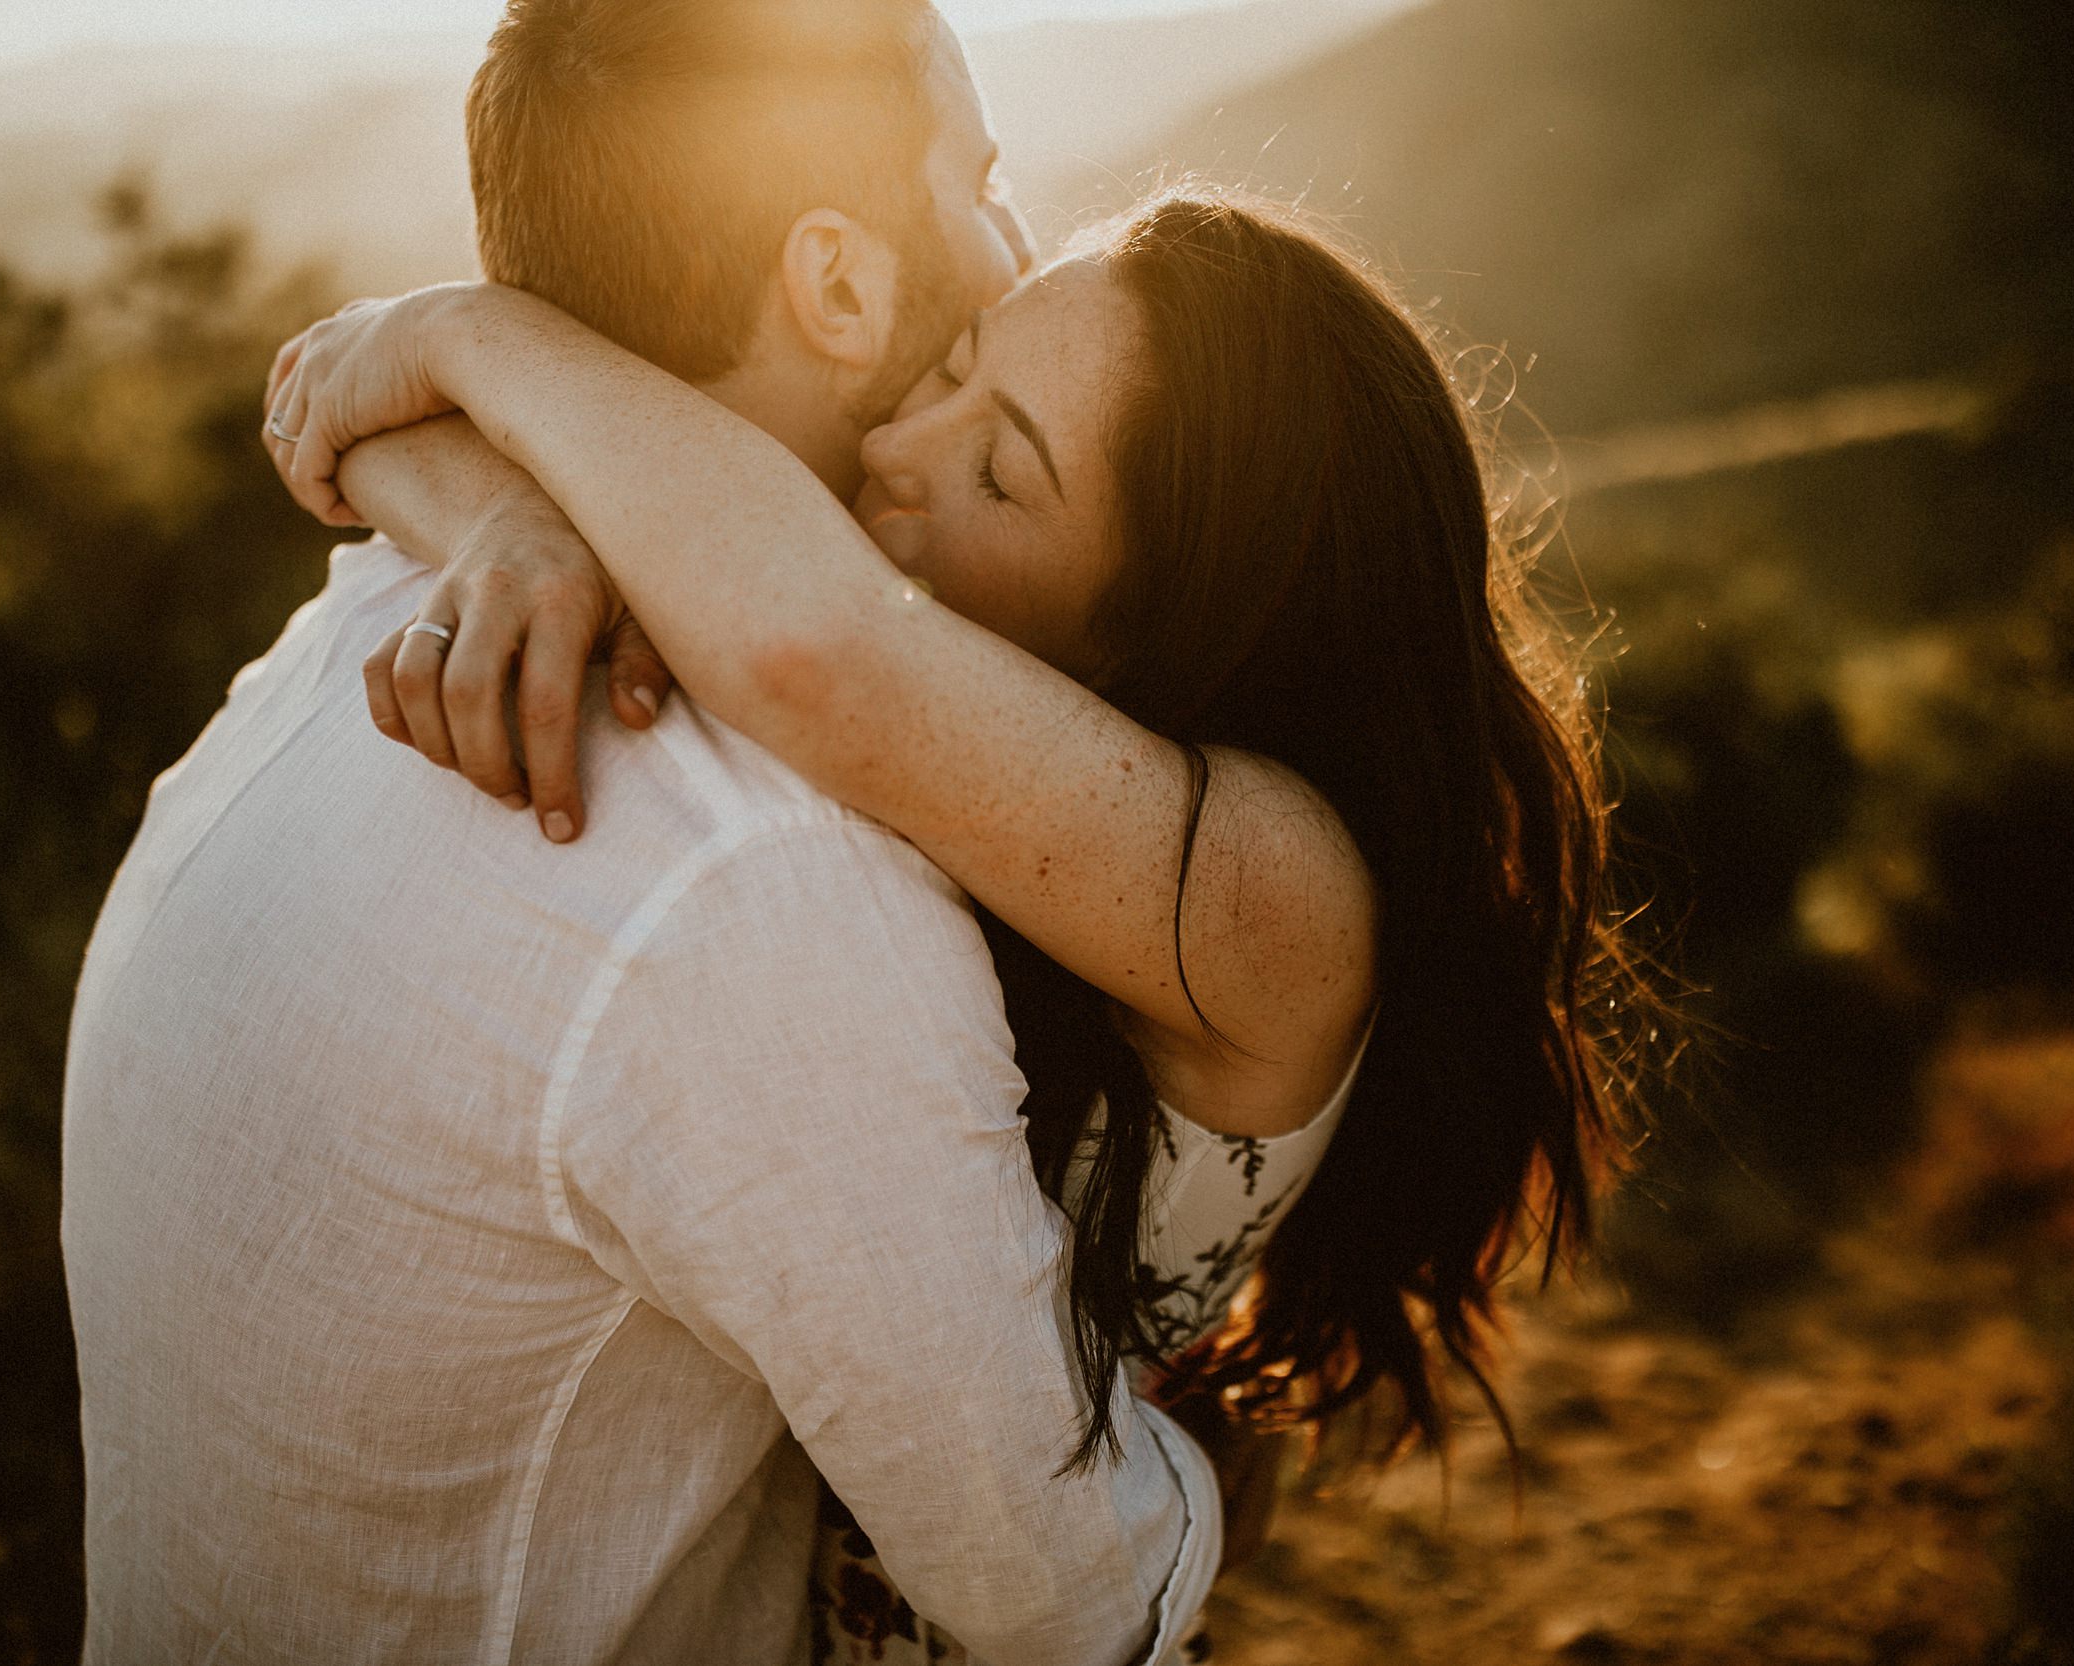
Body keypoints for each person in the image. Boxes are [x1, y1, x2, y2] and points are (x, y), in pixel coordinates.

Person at [262, 175, 1651, 1666]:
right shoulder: (989, 781)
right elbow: (409, 452)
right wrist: (520, 528)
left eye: (1000, 474)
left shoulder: (1281, 895)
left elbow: (805, 642)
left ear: (1176, 639)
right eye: (951, 365)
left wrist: (464, 330)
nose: (890, 445)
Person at [61, 2, 1226, 1662]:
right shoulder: (771, 875)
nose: (1020, 247)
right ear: (838, 283)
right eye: (985, 179)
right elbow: (1073, 1598)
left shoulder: (351, 623)